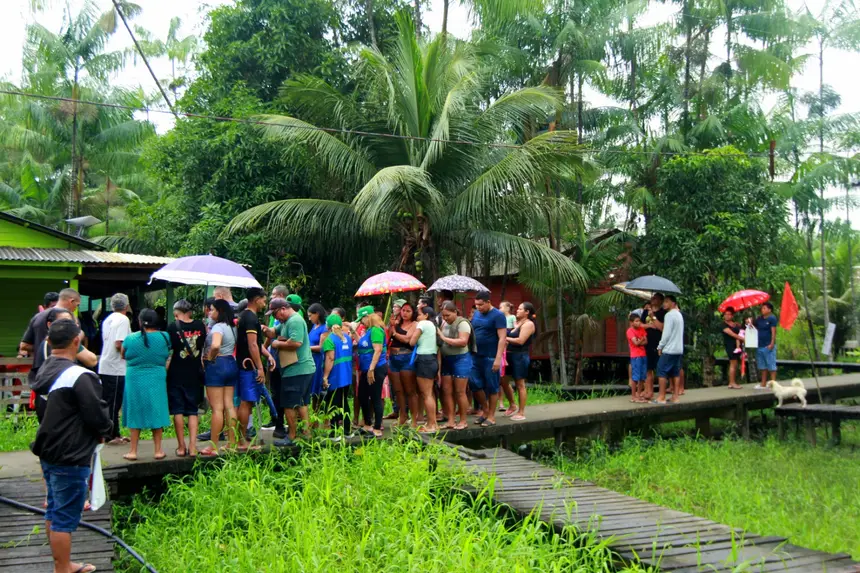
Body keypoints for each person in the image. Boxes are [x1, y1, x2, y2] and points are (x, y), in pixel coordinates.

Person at [31, 318, 112, 573]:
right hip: (70, 453)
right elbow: (97, 415)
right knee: (64, 517)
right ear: (77, 342)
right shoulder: (79, 376)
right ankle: (63, 567)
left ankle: (62, 563)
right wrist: (105, 431)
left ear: (48, 341)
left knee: (54, 510)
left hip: (48, 448)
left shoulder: (45, 369)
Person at [121, 309, 171, 461]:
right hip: (157, 376)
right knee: (157, 409)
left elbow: (123, 354)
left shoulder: (130, 338)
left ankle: (133, 451)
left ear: (140, 321)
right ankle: (158, 450)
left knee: (135, 410)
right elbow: (167, 353)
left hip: (134, 377)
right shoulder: (164, 336)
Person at [270, 296, 316, 445]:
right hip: (301, 369)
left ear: (283, 309)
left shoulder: (294, 321)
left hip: (297, 369)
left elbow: (296, 342)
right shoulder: (285, 323)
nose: (275, 317)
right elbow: (273, 332)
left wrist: (276, 344)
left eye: (275, 314)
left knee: (289, 404)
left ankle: (291, 436)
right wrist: (264, 329)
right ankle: (306, 434)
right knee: (301, 403)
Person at [235, 287, 274, 450]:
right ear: (256, 299)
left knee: (247, 402)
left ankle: (241, 438)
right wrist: (259, 367)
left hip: (245, 363)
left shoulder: (245, 316)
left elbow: (256, 344)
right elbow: (252, 345)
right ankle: (241, 441)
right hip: (248, 366)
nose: (265, 303)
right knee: (246, 402)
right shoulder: (250, 318)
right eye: (264, 300)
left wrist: (267, 355)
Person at [166, 299, 206, 457]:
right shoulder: (200, 326)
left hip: (176, 373)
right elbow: (203, 347)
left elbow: (169, 351)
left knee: (177, 410)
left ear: (176, 312)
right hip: (194, 373)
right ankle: (193, 447)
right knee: (192, 411)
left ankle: (181, 447)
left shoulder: (172, 327)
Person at [201, 299, 239, 456]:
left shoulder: (218, 327)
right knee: (229, 405)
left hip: (218, 365)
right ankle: (232, 443)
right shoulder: (233, 327)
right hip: (231, 362)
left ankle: (213, 446)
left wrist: (210, 357)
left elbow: (216, 345)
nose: (210, 312)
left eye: (213, 310)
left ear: (220, 311)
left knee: (217, 408)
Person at [97, 293, 132, 445]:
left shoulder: (108, 319)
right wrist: (130, 354)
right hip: (116, 366)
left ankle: (114, 432)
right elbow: (119, 343)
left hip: (106, 364)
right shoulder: (123, 319)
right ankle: (110, 435)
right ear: (126, 306)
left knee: (110, 401)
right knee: (114, 403)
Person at [470, 291, 506, 427]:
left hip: (490, 356)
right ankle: (485, 411)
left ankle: (491, 416)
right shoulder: (477, 314)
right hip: (475, 355)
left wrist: (498, 359)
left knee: (492, 386)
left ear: (488, 302)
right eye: (476, 305)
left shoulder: (498, 315)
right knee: (474, 383)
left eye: (480, 305)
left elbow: (502, 338)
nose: (478, 307)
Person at [438, 301, 473, 430]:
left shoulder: (462, 323)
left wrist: (443, 338)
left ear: (455, 312)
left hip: (461, 359)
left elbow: (463, 342)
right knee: (447, 391)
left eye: (447, 315)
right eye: (443, 315)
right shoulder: (443, 323)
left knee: (460, 391)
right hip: (446, 359)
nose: (445, 318)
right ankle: (451, 420)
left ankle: (463, 420)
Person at [355, 305, 387, 437]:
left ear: (367, 317)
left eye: (362, 319)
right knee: (362, 395)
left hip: (375, 368)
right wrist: (353, 332)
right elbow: (362, 344)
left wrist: (371, 369)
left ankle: (377, 428)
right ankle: (367, 424)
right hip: (366, 368)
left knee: (375, 397)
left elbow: (378, 350)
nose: (361, 322)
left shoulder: (376, 330)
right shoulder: (368, 330)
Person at [321, 313, 353, 437]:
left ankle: (334, 433)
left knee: (333, 404)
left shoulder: (330, 339)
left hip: (335, 375)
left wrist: (325, 376)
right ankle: (347, 430)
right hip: (347, 375)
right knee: (344, 402)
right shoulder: (347, 338)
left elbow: (330, 358)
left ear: (327, 326)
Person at [504, 302, 536, 420]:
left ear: (527, 312)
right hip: (509, 355)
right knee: (503, 381)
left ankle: (521, 412)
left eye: (520, 309)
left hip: (520, 356)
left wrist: (504, 338)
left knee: (520, 384)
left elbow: (520, 340)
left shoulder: (529, 324)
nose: (517, 310)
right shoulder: (517, 323)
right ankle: (512, 404)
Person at [388, 302, 418, 427]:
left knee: (410, 390)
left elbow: (407, 339)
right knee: (398, 390)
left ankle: (414, 418)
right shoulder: (396, 323)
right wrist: (391, 326)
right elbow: (388, 338)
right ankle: (403, 415)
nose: (405, 313)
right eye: (403, 310)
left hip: (406, 356)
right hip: (393, 357)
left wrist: (395, 332)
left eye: (408, 311)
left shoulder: (415, 324)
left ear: (413, 313)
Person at [410, 306, 440, 433]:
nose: (417, 317)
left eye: (419, 314)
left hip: (424, 359)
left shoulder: (423, 324)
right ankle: (433, 423)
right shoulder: (433, 325)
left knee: (426, 394)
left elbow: (412, 342)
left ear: (426, 315)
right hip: (432, 358)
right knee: (430, 393)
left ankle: (432, 424)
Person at [655, 295, 684, 404]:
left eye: (667, 301)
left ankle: (661, 397)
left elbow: (666, 333)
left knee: (661, 370)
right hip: (678, 349)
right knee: (675, 372)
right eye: (664, 301)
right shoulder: (679, 314)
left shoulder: (669, 315)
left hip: (670, 349)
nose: (664, 304)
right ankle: (675, 396)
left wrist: (660, 346)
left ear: (673, 303)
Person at [641, 293, 666, 401]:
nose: (653, 300)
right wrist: (649, 325)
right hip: (647, 343)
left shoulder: (663, 313)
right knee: (648, 369)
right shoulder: (646, 311)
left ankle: (662, 392)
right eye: (652, 298)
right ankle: (649, 391)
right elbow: (640, 325)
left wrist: (653, 317)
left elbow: (662, 328)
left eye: (655, 298)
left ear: (660, 300)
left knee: (660, 369)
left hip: (659, 343)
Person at [307, 303, 329, 414]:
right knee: (312, 390)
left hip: (318, 360)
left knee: (318, 389)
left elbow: (321, 347)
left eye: (311, 316)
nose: (309, 318)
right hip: (310, 359)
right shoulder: (314, 326)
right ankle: (314, 413)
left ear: (317, 314)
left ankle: (319, 413)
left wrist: (305, 348)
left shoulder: (324, 328)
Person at [754, 301, 779, 389]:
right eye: (762, 308)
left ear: (769, 310)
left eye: (764, 308)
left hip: (768, 345)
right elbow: (753, 327)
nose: (762, 310)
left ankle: (773, 384)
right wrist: (748, 322)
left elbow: (773, 332)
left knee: (771, 365)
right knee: (762, 366)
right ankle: (763, 384)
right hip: (759, 345)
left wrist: (772, 343)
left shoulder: (772, 318)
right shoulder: (759, 319)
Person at [627, 313, 649, 403]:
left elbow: (646, 342)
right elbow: (635, 343)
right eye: (636, 321)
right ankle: (633, 396)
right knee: (635, 377)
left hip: (643, 354)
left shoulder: (642, 329)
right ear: (631, 322)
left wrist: (640, 341)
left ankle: (638, 395)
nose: (638, 323)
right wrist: (641, 340)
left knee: (642, 377)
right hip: (635, 356)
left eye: (639, 321)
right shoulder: (630, 331)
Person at [721, 307, 744, 389]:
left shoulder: (735, 324)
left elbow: (741, 330)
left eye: (729, 314)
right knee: (733, 363)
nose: (727, 316)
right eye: (725, 314)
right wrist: (743, 339)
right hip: (730, 346)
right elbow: (732, 334)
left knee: (735, 364)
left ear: (732, 315)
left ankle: (732, 382)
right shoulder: (723, 325)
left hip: (737, 346)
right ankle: (732, 382)